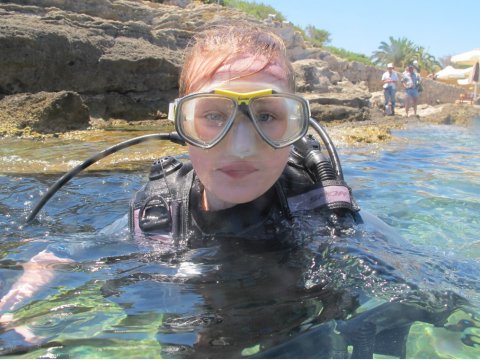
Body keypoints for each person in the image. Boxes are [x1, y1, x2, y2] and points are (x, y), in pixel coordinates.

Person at [0, 24, 471, 358]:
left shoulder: (323, 212)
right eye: (212, 115)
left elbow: (440, 284)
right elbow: (56, 256)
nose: (241, 146)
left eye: (267, 115)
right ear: (182, 128)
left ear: (295, 126)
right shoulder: (159, 214)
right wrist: (22, 304)